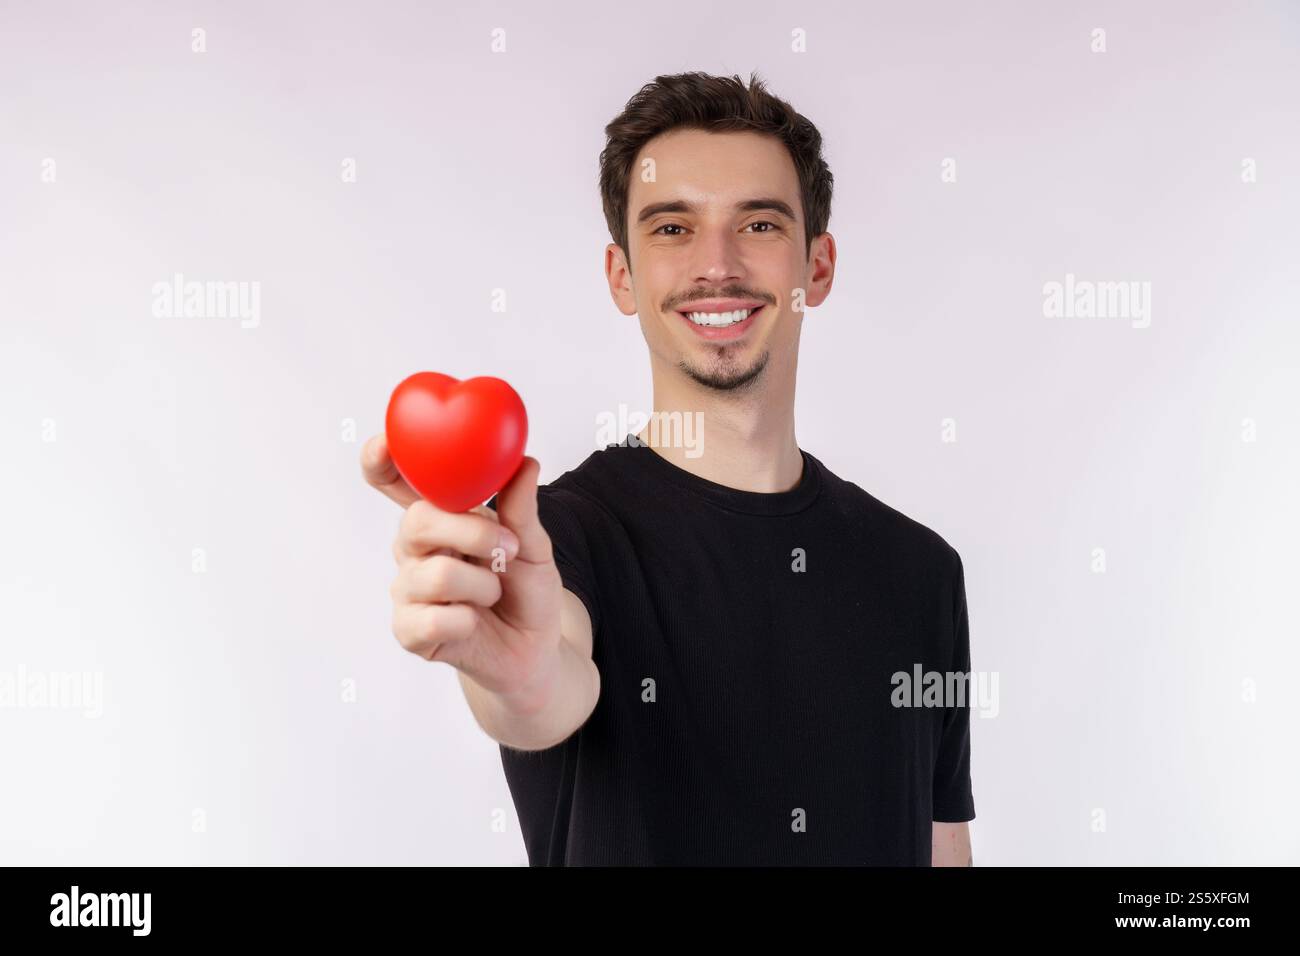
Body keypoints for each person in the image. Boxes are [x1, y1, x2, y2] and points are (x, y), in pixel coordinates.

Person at [362, 71, 975, 866]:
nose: (715, 265)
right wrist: (512, 670)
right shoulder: (559, 540)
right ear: (623, 276)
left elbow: (943, 846)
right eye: (672, 228)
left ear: (816, 267)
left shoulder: (921, 571)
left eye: (758, 223)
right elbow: (547, 681)